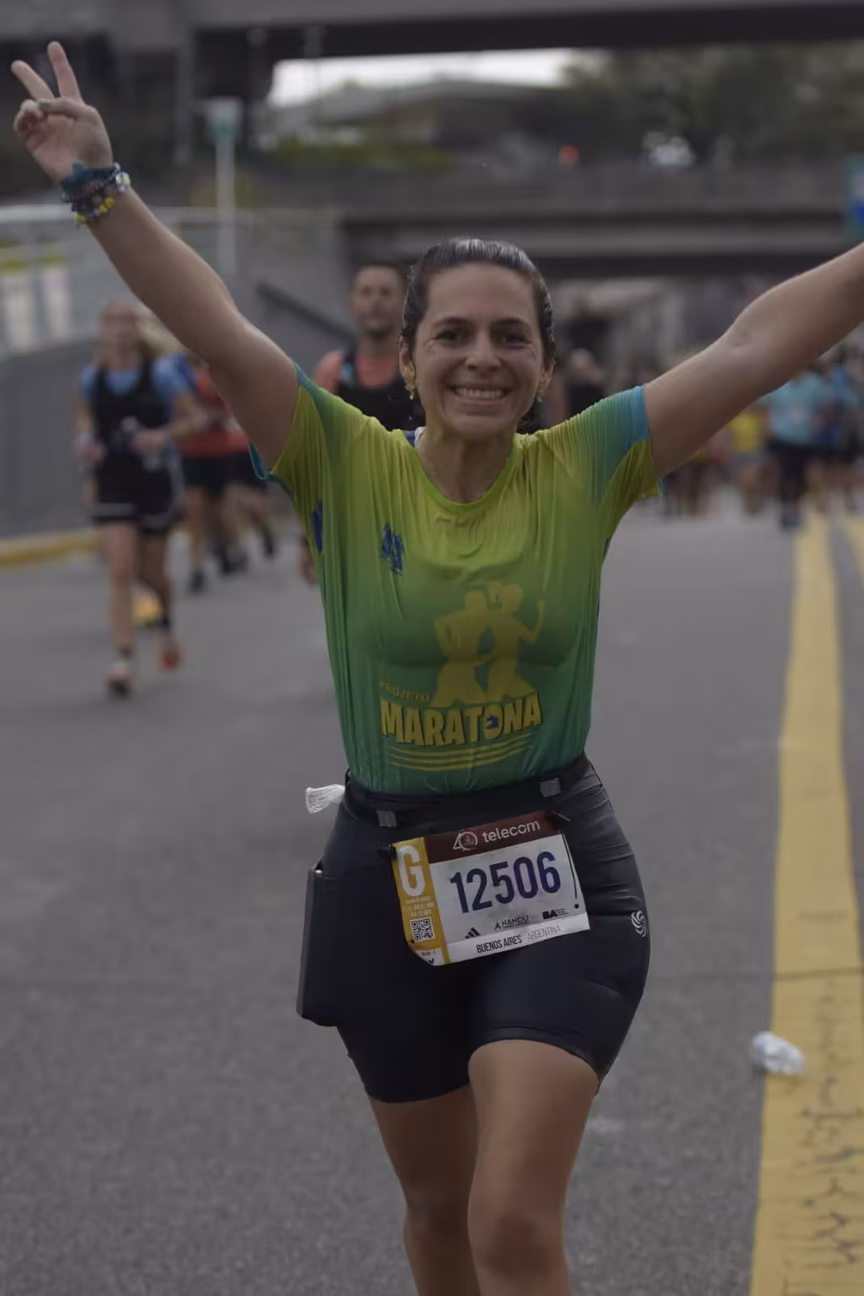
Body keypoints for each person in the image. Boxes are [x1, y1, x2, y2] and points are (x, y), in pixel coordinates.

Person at [16, 44, 864, 1292]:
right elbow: (218, 329)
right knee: (437, 1214)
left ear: (544, 365)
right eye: (453, 334)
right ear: (406, 358)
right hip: (389, 876)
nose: (483, 358)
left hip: (553, 865)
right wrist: (99, 186)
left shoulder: (587, 463)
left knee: (511, 1220)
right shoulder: (338, 460)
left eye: (512, 338)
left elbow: (750, 344)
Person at [75, 299, 204, 695]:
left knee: (152, 573)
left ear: (138, 330)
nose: (120, 329)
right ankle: (124, 659)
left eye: (127, 321)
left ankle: (166, 622)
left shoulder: (160, 375)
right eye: (112, 322)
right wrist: (85, 442)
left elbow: (194, 419)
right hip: (111, 481)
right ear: (102, 330)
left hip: (153, 481)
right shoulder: (91, 379)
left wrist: (160, 437)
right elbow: (85, 420)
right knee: (121, 569)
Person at [303, 260, 422, 583]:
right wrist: (308, 536)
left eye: (385, 292)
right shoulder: (333, 371)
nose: (375, 301)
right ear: (352, 303)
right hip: (354, 521)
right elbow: (316, 455)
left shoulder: (423, 369)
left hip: (418, 519)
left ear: (404, 304)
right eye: (366, 292)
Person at [761, 365, 829, 530]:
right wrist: (768, 427)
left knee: (801, 477)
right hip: (784, 437)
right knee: (786, 475)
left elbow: (826, 406)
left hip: (805, 438)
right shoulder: (779, 384)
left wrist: (819, 423)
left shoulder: (814, 384)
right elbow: (767, 407)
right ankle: (785, 508)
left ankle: (796, 508)